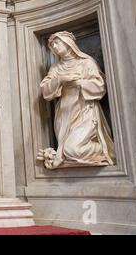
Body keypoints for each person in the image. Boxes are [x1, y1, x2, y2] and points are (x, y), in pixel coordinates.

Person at [37, 31, 116, 169]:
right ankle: (65, 155)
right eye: (52, 45)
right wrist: (60, 79)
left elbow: (100, 86)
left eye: (57, 42)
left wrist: (80, 83)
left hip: (85, 110)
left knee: (72, 149)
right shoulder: (56, 68)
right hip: (65, 112)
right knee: (67, 148)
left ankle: (104, 149)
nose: (54, 46)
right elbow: (45, 90)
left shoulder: (86, 63)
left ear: (68, 43)